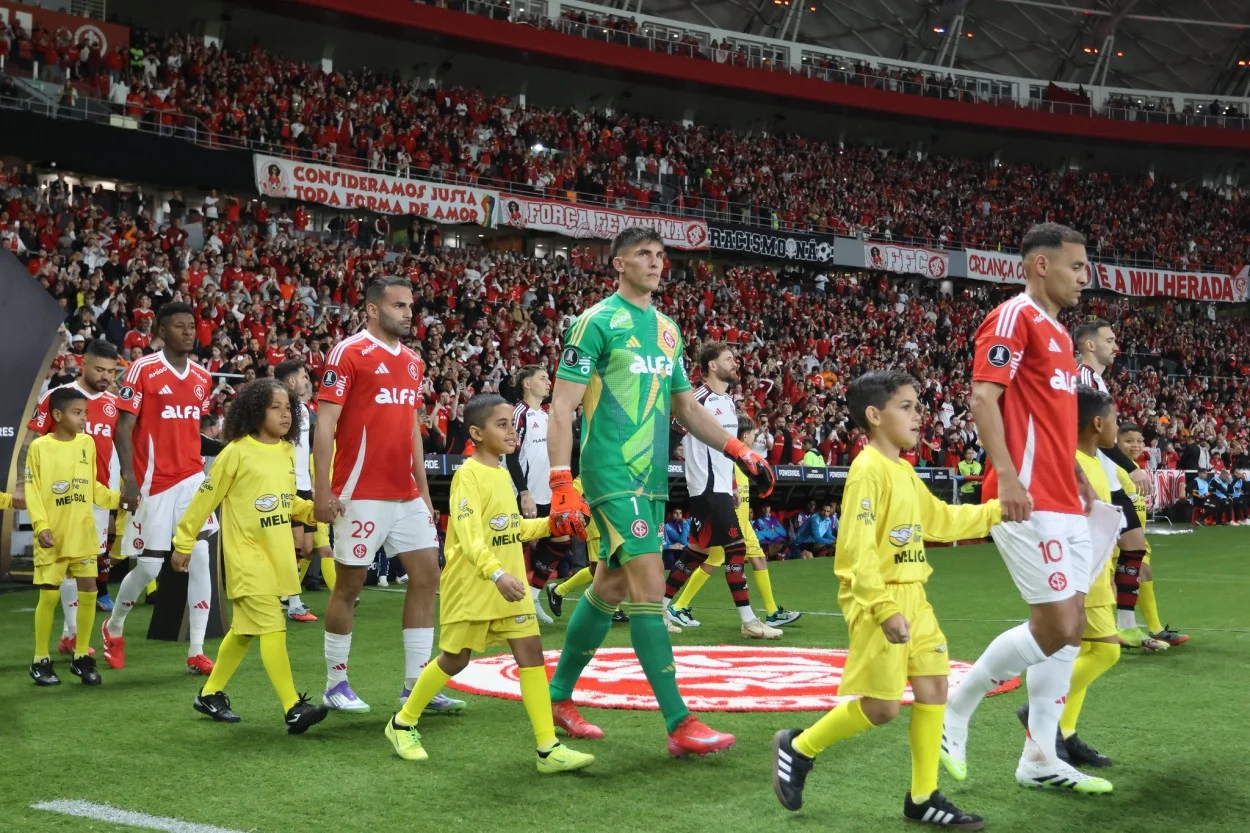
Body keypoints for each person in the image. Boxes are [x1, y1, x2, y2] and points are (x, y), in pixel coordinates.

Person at [542, 227, 775, 754]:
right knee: (650, 586)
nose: (655, 262)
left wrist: (739, 451)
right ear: (618, 264)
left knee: (611, 587)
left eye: (660, 254)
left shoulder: (667, 330)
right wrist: (561, 480)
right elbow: (562, 406)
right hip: (611, 471)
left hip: (650, 476)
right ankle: (679, 723)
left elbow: (686, 408)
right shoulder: (596, 321)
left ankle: (557, 696)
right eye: (644, 254)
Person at [771, 370, 1002, 828]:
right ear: (874, 416)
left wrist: (1000, 511)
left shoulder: (902, 469)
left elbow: (941, 520)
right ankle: (798, 748)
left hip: (914, 593)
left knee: (935, 687)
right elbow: (855, 550)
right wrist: (883, 607)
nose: (920, 415)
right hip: (880, 598)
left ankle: (923, 797)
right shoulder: (867, 469)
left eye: (918, 406)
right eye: (907, 407)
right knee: (882, 709)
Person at [941, 223, 1110, 794]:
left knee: (1071, 628)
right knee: (1058, 624)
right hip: (1025, 498)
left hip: (1062, 495)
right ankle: (956, 705)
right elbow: (983, 396)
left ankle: (1039, 757)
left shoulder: (1061, 335)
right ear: (1042, 265)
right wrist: (1008, 477)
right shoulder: (1013, 316)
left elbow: (1051, 421)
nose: (1084, 278)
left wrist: (1077, 479)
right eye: (1076, 267)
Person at [384, 394, 595, 772]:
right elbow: (468, 537)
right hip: (474, 584)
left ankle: (547, 749)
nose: (512, 431)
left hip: (505, 582)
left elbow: (509, 528)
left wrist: (553, 524)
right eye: (502, 425)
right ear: (476, 433)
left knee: (530, 653)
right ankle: (402, 722)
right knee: (455, 659)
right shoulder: (468, 475)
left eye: (512, 424)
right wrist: (495, 574)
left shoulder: (500, 472)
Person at [314, 276, 463, 715]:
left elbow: (411, 431)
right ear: (373, 309)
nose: (407, 313)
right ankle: (335, 683)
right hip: (360, 492)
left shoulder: (414, 362)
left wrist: (424, 491)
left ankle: (417, 686)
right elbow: (325, 425)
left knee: (427, 576)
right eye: (398, 306)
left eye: (410, 306)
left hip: (405, 493)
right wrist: (323, 490)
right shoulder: (347, 353)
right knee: (350, 586)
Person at [172, 379, 328, 734]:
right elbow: (204, 500)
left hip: (277, 558)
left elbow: (286, 502)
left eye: (288, 408)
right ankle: (293, 707)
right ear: (256, 411)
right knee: (273, 626)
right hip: (246, 558)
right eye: (276, 407)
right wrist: (183, 542)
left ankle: (209, 694)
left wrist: (315, 511)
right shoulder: (236, 452)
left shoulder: (288, 452)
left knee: (243, 631)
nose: (285, 414)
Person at [1011, 385, 1122, 773]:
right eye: (1114, 420)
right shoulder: (1073, 462)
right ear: (1096, 423)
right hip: (1079, 571)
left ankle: (1066, 731)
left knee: (1089, 651)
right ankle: (1041, 709)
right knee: (1106, 650)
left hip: (1093, 568)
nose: (1117, 427)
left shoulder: (1092, 462)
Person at [106, 302, 219, 675]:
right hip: (153, 484)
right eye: (180, 326)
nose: (189, 332)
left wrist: (226, 447)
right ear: (162, 330)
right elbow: (123, 428)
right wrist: (129, 479)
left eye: (192, 326)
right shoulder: (143, 370)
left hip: (191, 479)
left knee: (200, 556)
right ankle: (115, 627)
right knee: (150, 567)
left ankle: (197, 650)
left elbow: (190, 432)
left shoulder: (203, 376)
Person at [662, 343, 781, 639]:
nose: (735, 362)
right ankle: (749, 621)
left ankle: (659, 610)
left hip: (720, 488)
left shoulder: (728, 402)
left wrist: (733, 483)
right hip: (704, 487)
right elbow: (671, 433)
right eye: (728, 359)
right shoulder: (696, 399)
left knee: (695, 553)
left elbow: (726, 450)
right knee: (736, 549)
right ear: (712, 365)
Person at [18, 339, 122, 653]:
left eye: (111, 371)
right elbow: (33, 440)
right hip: (61, 496)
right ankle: (73, 632)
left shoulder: (114, 403)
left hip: (98, 493)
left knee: (86, 564)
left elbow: (117, 449)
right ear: (83, 364)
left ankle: (69, 634)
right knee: (65, 562)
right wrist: (25, 488)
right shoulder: (57, 397)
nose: (105, 376)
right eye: (99, 369)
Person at [25, 387, 132, 686]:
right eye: (77, 413)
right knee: (48, 595)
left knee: (89, 591)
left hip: (83, 532)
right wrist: (40, 525)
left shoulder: (86, 444)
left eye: (85, 413)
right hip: (53, 534)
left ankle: (81, 656)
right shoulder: (40, 448)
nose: (84, 418)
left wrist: (118, 498)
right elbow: (32, 491)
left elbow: (92, 487)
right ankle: (40, 659)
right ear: (57, 415)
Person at [1072, 319, 1160, 650]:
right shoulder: (1082, 380)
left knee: (1134, 545)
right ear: (1089, 345)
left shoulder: (1096, 381)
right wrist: (1132, 466)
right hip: (1092, 479)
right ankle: (1077, 628)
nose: (1115, 344)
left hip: (1109, 481)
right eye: (1109, 339)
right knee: (1092, 559)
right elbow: (1087, 433)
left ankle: (1125, 625)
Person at [669, 415, 800, 628]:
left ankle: (772, 612)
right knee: (710, 562)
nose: (754, 439)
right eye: (753, 435)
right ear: (745, 436)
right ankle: (677, 606)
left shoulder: (743, 464)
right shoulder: (732, 463)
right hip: (728, 523)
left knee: (758, 559)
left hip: (743, 525)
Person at [1116, 424, 1187, 646]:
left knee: (1144, 573)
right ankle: (1111, 631)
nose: (1135, 445)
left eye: (1139, 441)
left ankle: (1152, 628)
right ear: (1114, 442)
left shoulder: (1135, 467)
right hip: (1118, 536)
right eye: (1128, 441)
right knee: (1114, 582)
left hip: (1135, 535)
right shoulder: (1114, 468)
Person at [504, 364, 564, 625]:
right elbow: (511, 455)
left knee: (561, 539)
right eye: (542, 378)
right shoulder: (519, 413)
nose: (548, 382)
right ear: (527, 384)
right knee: (514, 548)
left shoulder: (548, 415)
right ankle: (510, 608)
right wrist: (523, 492)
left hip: (548, 493)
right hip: (523, 494)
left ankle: (534, 594)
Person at [547, 477, 629, 625]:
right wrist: (582, 511)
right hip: (598, 525)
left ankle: (559, 591)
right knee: (599, 569)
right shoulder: (589, 471)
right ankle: (560, 591)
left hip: (614, 522)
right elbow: (572, 491)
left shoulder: (612, 469)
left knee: (607, 567)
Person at [274, 359, 317, 623]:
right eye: (303, 377)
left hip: (305, 484)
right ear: (292, 381)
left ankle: (284, 594)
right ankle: (293, 602)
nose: (307, 381)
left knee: (308, 547)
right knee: (296, 543)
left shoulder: (302, 408)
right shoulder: (281, 408)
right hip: (287, 485)